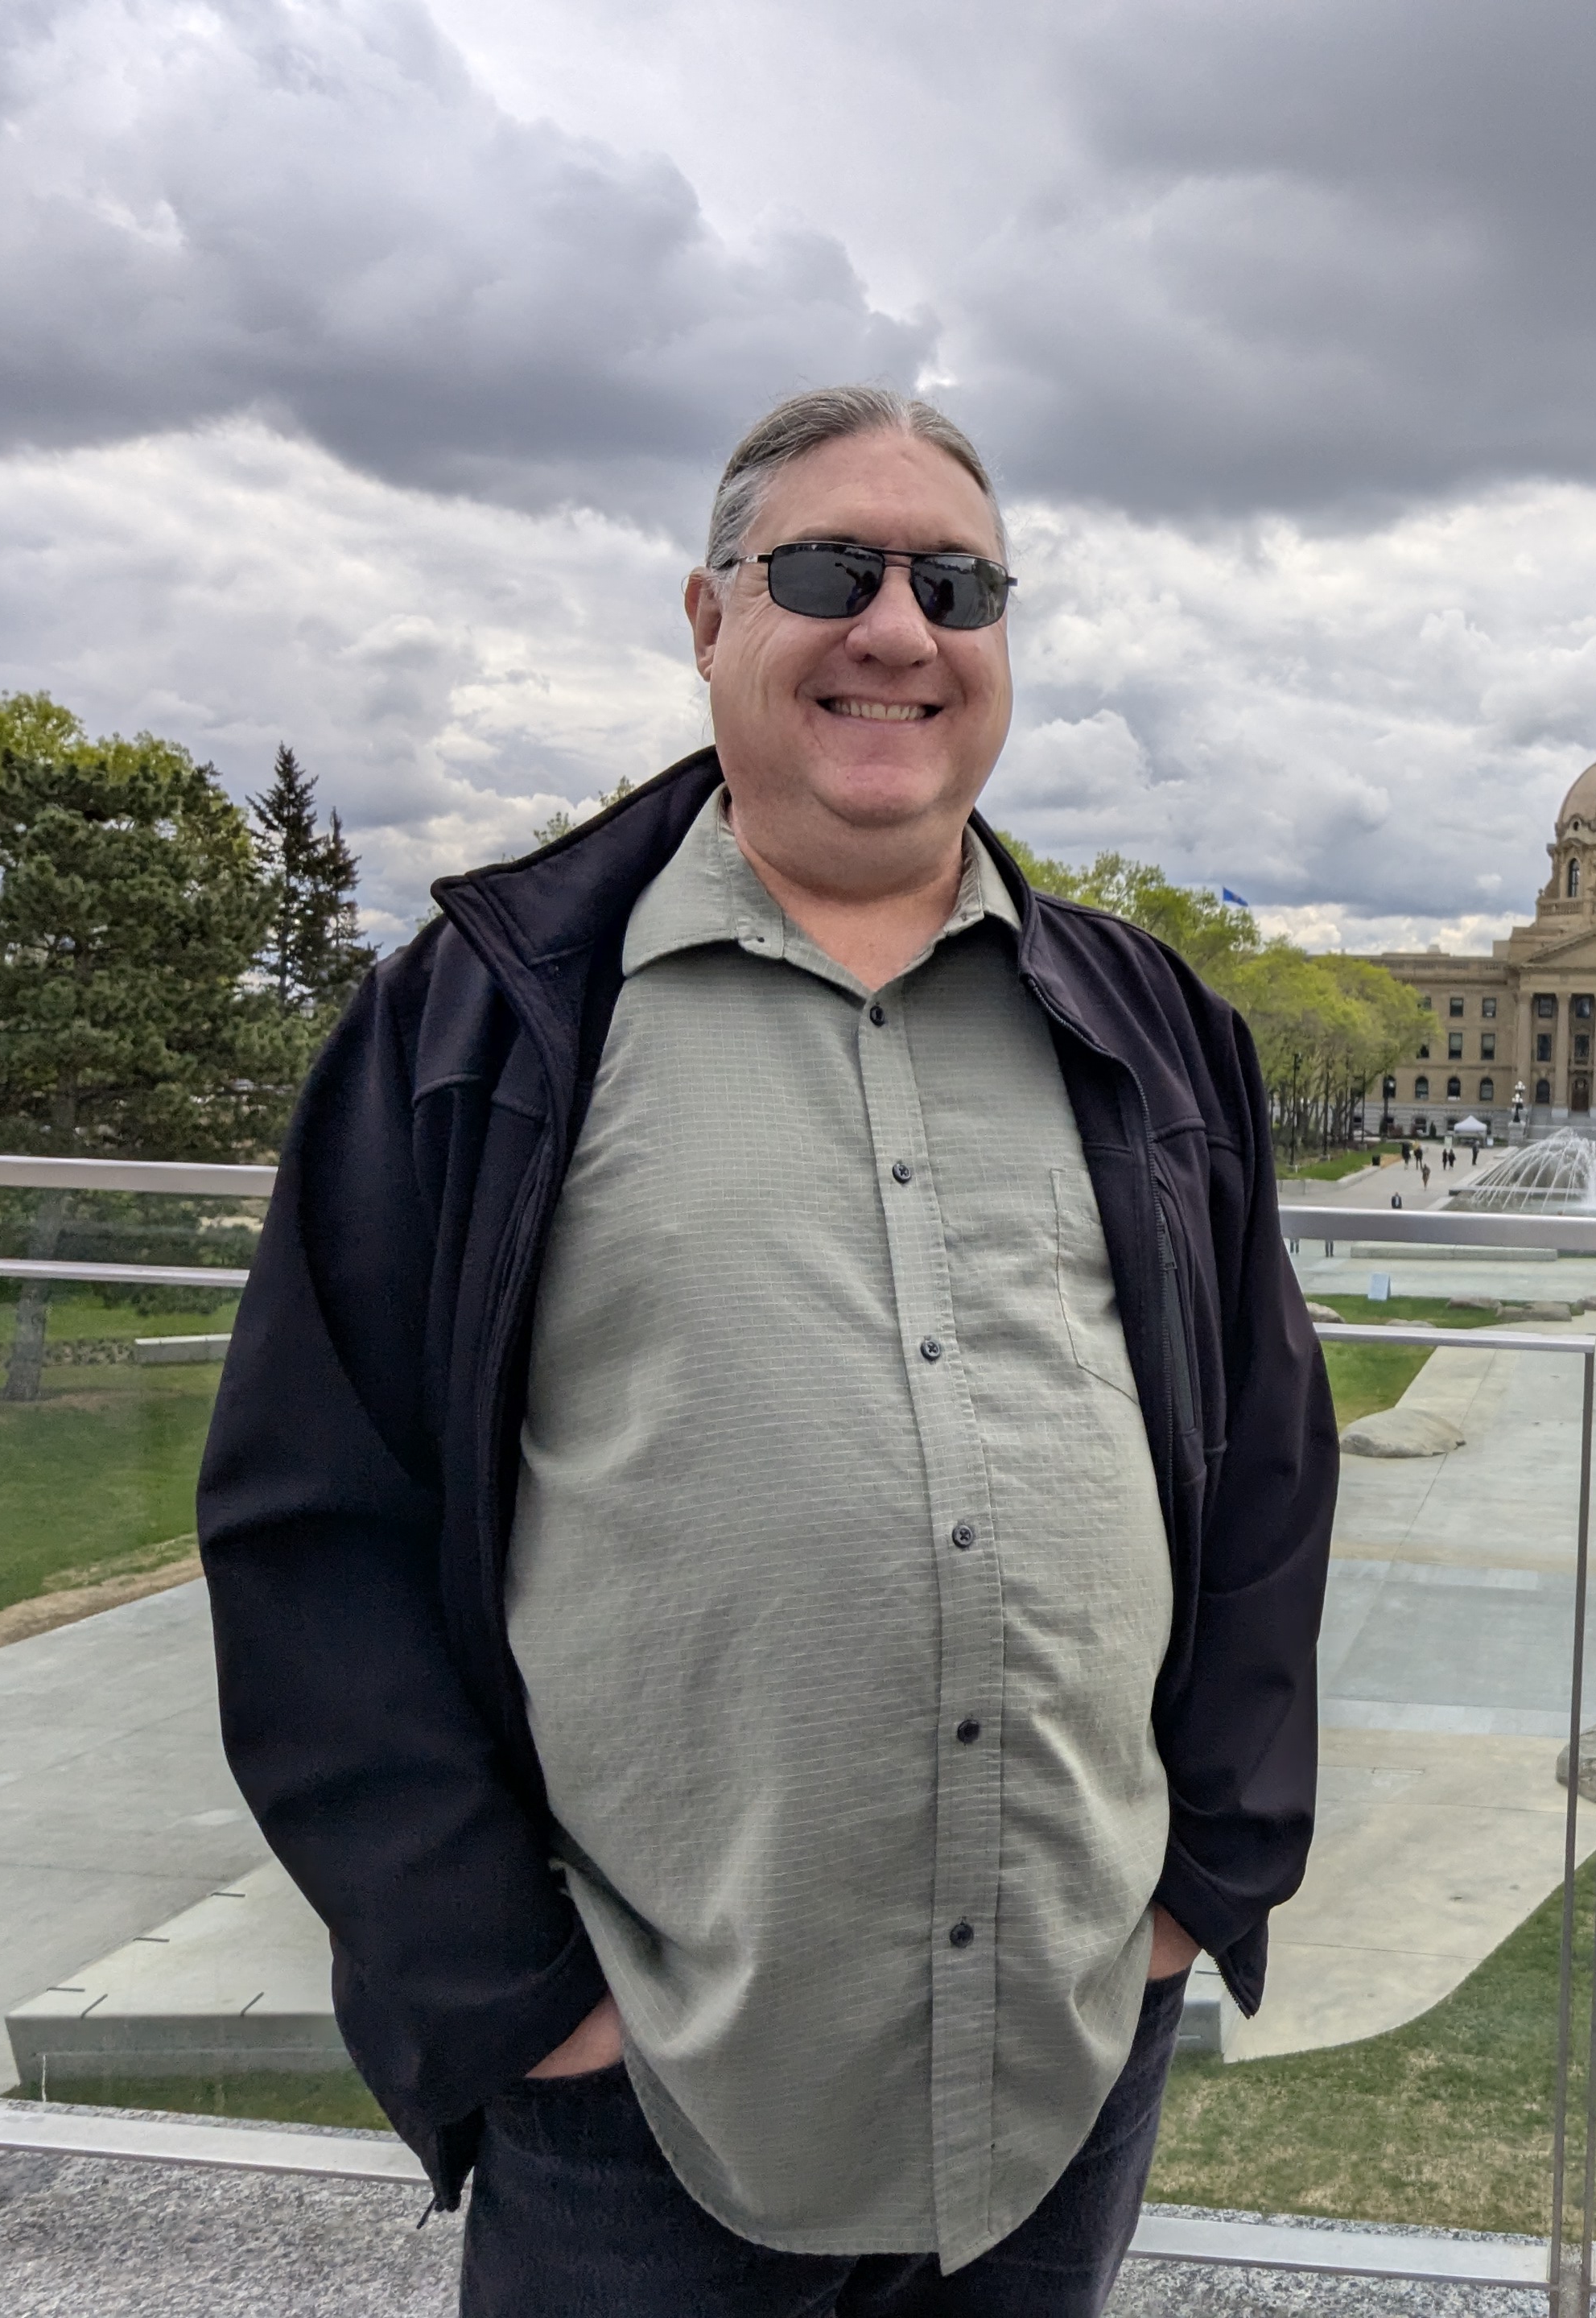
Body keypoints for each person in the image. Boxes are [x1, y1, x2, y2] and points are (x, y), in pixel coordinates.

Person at [200, 385, 1336, 2316]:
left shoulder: (1153, 1030)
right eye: (831, 567)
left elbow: (1265, 1481)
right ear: (710, 616)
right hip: (642, 2101)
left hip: (1054, 2062)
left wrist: (1190, 1897)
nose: (898, 626)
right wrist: (519, 2006)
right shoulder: (479, 1021)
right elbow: (317, 1532)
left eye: (958, 584)